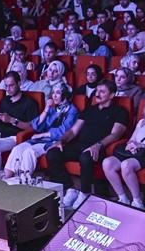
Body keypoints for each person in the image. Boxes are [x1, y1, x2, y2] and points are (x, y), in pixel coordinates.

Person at [45, 79, 130, 209]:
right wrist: (60, 141)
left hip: (101, 148)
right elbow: (73, 131)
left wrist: (98, 145)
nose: (98, 94)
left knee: (85, 157)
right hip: (80, 145)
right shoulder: (89, 109)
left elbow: (115, 135)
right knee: (52, 153)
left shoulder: (120, 111)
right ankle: (71, 189)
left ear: (112, 95)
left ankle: (84, 193)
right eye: (97, 91)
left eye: (102, 91)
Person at [0, 82, 79, 180]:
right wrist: (46, 109)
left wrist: (42, 135)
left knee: (29, 152)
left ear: (65, 94)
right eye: (53, 92)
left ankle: (24, 181)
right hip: (40, 140)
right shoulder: (52, 109)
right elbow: (36, 126)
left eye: (58, 93)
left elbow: (64, 131)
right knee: (17, 149)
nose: (54, 95)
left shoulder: (72, 111)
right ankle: (5, 179)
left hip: (54, 142)